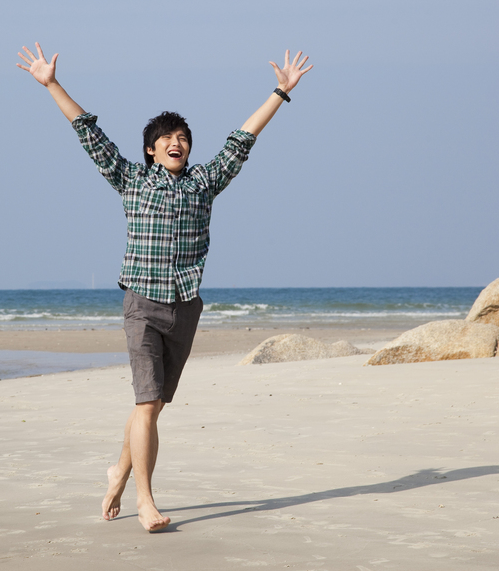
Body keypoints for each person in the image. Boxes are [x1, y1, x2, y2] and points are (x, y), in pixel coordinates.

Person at [17, 43, 312, 531]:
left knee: (152, 406)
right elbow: (89, 133)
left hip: (186, 307)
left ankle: (117, 470)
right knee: (147, 402)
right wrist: (51, 83)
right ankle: (145, 502)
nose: (178, 142)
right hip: (142, 304)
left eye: (183, 137)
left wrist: (280, 91)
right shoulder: (132, 180)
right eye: (168, 138)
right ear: (152, 149)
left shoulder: (203, 184)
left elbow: (242, 140)